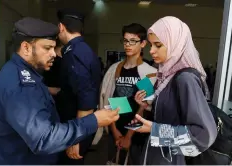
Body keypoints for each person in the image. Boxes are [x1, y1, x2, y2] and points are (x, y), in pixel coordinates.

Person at [0, 17, 119, 165]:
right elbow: (43, 139)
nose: (54, 54)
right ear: (26, 48)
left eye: (53, 48)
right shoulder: (20, 85)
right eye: (47, 48)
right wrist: (94, 121)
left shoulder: (25, 74)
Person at [131, 16, 217, 165]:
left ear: (175, 44)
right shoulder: (167, 76)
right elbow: (173, 115)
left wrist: (156, 130)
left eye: (158, 45)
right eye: (151, 45)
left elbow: (204, 134)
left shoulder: (185, 79)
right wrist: (147, 106)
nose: (151, 51)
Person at [99, 23, 157, 165]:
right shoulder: (116, 69)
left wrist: (128, 136)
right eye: (125, 40)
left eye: (133, 41)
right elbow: (112, 101)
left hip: (137, 134)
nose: (128, 45)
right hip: (116, 129)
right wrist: (115, 132)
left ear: (143, 44)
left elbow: (144, 107)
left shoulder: (147, 73)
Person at [55, 9, 102, 165]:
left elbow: (86, 101)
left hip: (76, 128)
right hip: (76, 125)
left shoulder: (74, 54)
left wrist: (76, 139)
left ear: (61, 27)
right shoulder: (84, 50)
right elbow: (71, 90)